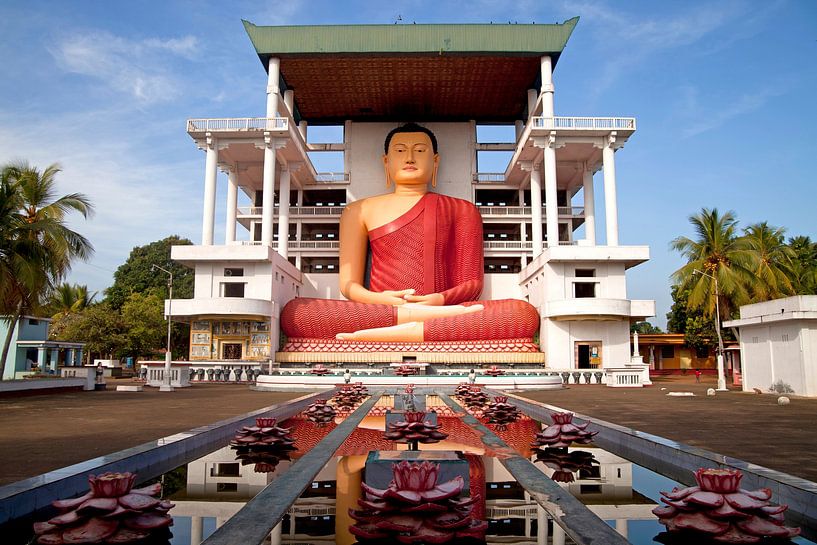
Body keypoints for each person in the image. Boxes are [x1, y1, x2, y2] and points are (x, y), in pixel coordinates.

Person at [281, 123, 538, 342]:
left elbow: (472, 284)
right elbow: (349, 286)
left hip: (445, 307)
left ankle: (390, 331)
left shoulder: (462, 209)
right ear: (386, 161)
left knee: (521, 313)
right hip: (381, 309)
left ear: (435, 161)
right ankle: (422, 326)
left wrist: (439, 300)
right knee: (298, 313)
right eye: (400, 151)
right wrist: (380, 300)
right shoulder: (359, 210)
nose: (410, 158)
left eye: (420, 151)